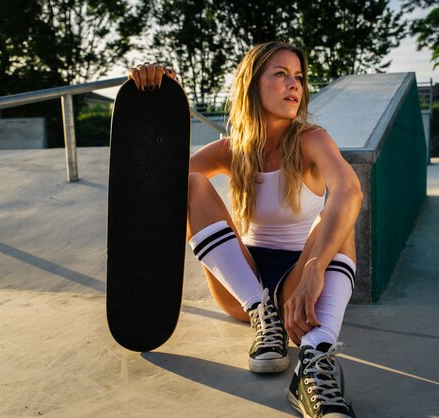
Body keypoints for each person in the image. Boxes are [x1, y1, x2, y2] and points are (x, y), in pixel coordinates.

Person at [128, 41, 362, 418]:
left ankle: (314, 364)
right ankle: (262, 318)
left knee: (339, 216)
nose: (294, 85)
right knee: (187, 184)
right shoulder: (230, 149)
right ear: (253, 85)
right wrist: (157, 97)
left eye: (299, 77)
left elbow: (349, 190)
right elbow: (160, 179)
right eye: (281, 74)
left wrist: (314, 270)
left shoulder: (311, 139)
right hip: (243, 285)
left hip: (299, 284)